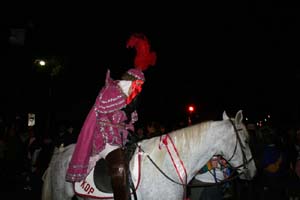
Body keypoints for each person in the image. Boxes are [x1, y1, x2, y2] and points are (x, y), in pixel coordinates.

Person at [65, 33, 156, 200]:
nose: (139, 90)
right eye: (138, 86)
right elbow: (101, 107)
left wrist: (129, 117)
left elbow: (129, 121)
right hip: (105, 137)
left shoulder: (130, 101)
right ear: (132, 81)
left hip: (122, 138)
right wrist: (123, 103)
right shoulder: (113, 91)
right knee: (119, 165)